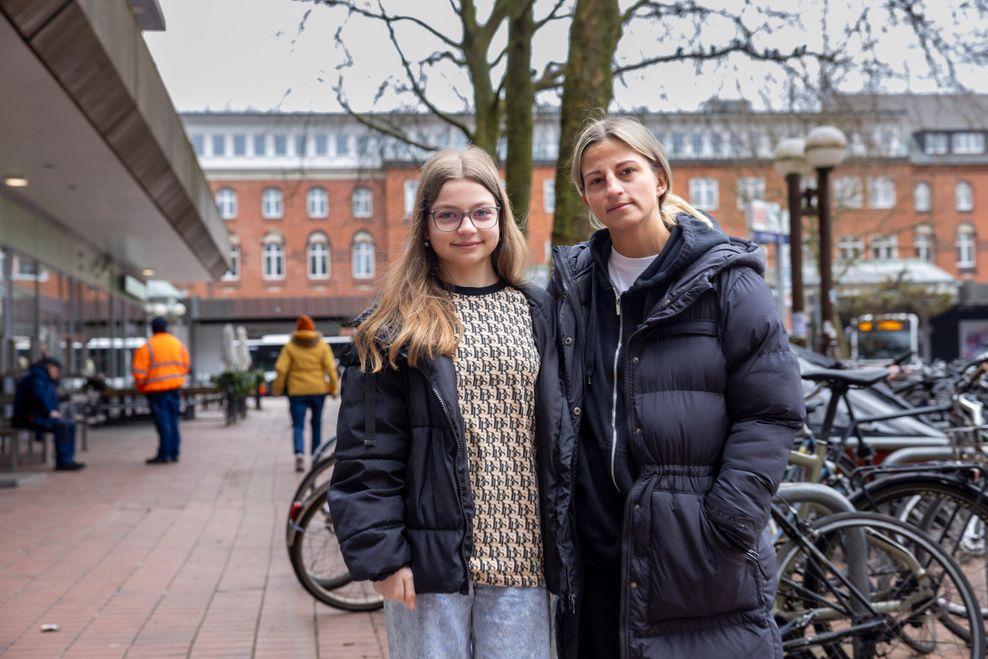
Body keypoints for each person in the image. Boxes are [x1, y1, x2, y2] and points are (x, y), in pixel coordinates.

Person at [548, 116, 804, 658]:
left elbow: (772, 411)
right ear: (586, 199)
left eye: (626, 171)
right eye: (596, 180)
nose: (613, 188)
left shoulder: (727, 281)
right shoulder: (573, 290)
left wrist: (729, 519)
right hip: (595, 552)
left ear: (659, 178)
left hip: (692, 547)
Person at [329, 146, 574, 659]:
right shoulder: (391, 324)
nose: (467, 227)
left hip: (526, 558)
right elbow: (367, 450)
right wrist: (384, 556)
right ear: (425, 225)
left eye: (482, 212)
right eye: (449, 214)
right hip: (429, 565)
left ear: (502, 220)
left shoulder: (542, 312)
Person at [272, 314, 340, 472]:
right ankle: (316, 456)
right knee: (316, 423)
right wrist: (334, 390)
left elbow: (281, 369)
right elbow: (331, 369)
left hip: (297, 392)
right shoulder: (322, 345)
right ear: (312, 329)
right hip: (318, 391)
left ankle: (299, 454)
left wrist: (277, 390)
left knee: (298, 425)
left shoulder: (290, 347)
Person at [132, 316, 190, 464]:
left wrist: (142, 387)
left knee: (163, 423)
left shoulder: (148, 347)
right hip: (175, 389)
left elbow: (139, 373)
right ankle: (174, 452)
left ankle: (164, 454)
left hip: (157, 392)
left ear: (152, 328)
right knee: (173, 421)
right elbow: (186, 366)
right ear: (166, 327)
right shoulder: (177, 344)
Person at [12, 357, 85, 471]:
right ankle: (64, 461)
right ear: (50, 367)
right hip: (30, 417)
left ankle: (67, 459)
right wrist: (50, 412)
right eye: (57, 371)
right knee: (63, 424)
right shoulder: (37, 377)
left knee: (68, 423)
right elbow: (39, 396)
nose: (58, 374)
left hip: (38, 415)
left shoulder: (42, 377)